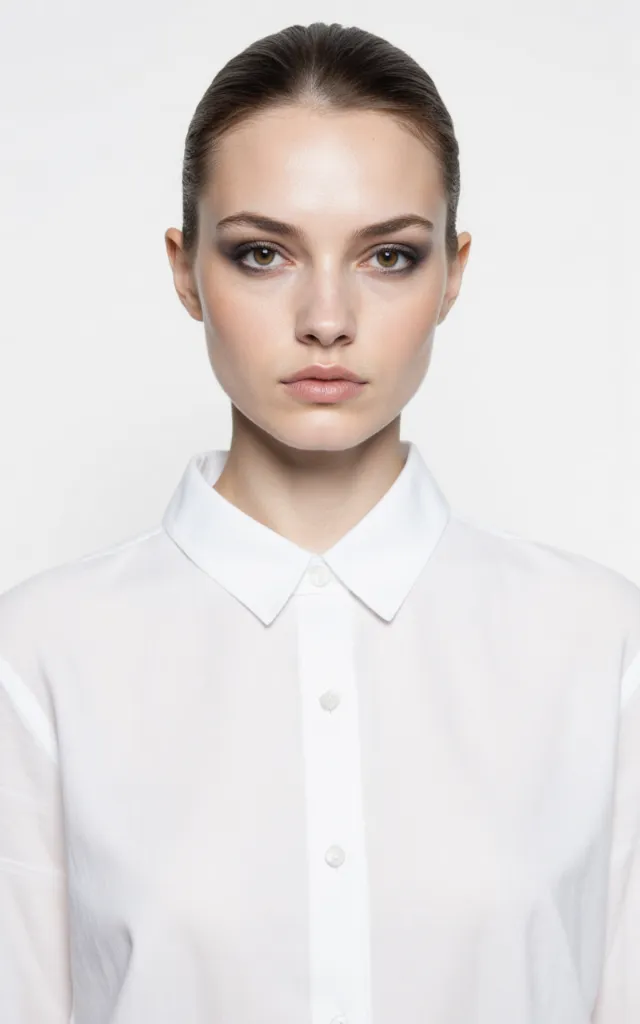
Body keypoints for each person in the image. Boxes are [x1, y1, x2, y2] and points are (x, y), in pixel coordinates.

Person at [0, 20, 638, 1024]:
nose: (327, 319)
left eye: (388, 255)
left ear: (453, 272)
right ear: (185, 270)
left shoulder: (601, 646)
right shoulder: (39, 657)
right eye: (263, 253)